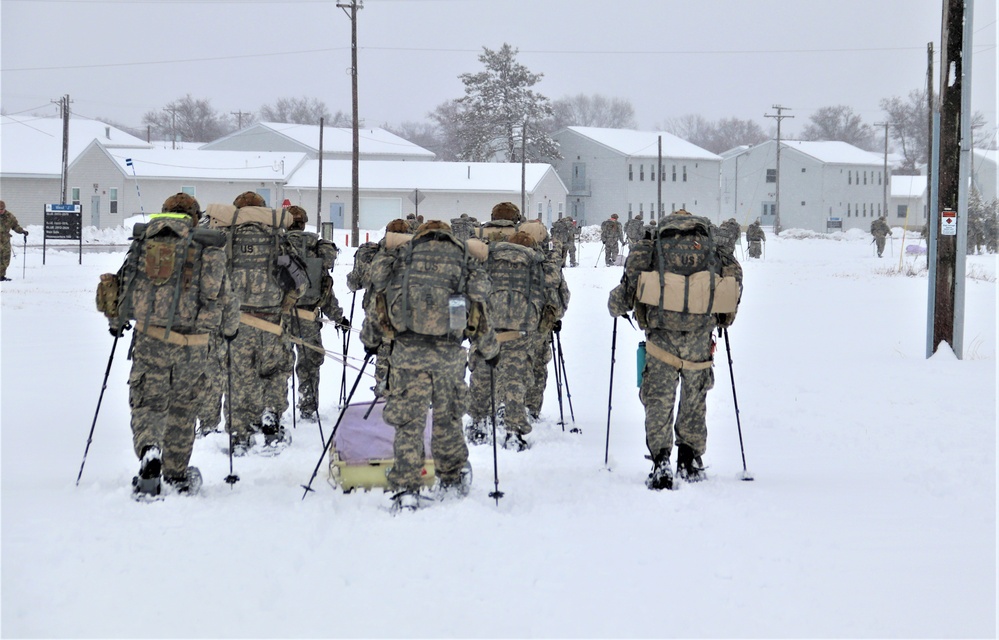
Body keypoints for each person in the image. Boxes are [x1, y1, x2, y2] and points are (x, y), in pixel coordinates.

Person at [102, 193, 240, 498]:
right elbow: (227, 297)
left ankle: (150, 448)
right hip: (193, 344)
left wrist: (116, 324)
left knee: (148, 403)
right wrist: (229, 332)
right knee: (183, 409)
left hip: (151, 339)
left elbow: (125, 286)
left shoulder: (145, 242)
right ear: (194, 216)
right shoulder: (207, 246)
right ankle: (176, 474)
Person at [368, 219, 499, 511]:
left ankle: (406, 489)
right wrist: (490, 350)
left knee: (408, 423)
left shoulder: (405, 255)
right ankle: (452, 477)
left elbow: (381, 297)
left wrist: (370, 339)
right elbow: (479, 303)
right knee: (448, 418)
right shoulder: (463, 258)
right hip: (448, 355)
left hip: (406, 353)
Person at [608, 208, 742, 491]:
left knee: (658, 399)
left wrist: (616, 307)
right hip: (699, 337)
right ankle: (689, 458)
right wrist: (723, 319)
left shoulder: (653, 245)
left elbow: (629, 286)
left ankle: (661, 462)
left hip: (661, 338)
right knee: (694, 398)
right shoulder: (710, 247)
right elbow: (733, 283)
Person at [213, 191, 307, 456]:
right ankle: (270, 418)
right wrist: (284, 307)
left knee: (237, 378)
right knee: (275, 372)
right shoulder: (277, 238)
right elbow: (298, 282)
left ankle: (239, 435)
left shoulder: (224, 239)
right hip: (271, 322)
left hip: (236, 325)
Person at [466, 229, 561, 450]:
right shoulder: (535, 263)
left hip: (487, 326)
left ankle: (479, 424)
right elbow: (551, 295)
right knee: (515, 380)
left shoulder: (489, 257)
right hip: (520, 330)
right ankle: (514, 432)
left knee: (482, 376)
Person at [285, 205, 347, 420]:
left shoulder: (275, 246)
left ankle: (273, 411)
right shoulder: (316, 249)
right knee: (309, 364)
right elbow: (325, 289)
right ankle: (307, 406)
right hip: (308, 318)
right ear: (304, 224)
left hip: (277, 319)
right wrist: (339, 317)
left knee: (276, 366)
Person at [0, 201, 28, 281]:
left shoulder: (9, 216)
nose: (0, 211)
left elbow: (15, 226)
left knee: (5, 259)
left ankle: (1, 276)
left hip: (5, 241)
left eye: (2, 209)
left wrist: (22, 231)